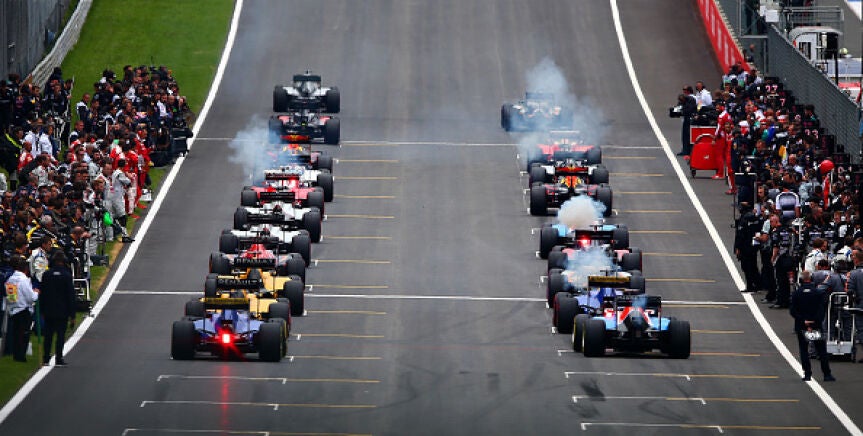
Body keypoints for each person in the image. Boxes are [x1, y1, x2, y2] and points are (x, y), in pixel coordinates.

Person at [790, 270, 834, 382]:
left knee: (804, 350)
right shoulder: (818, 293)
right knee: (821, 350)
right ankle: (827, 374)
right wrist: (814, 321)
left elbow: (793, 311)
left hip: (802, 325)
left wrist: (803, 321)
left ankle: (807, 374)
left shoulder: (797, 293)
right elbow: (821, 310)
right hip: (816, 325)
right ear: (812, 279)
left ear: (801, 280)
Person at [39, 251, 75, 366]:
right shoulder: (67, 275)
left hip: (48, 310)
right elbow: (70, 296)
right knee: (60, 335)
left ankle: (46, 358)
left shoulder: (46, 275)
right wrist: (72, 315)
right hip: (62, 311)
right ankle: (59, 358)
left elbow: (42, 294)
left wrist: (41, 310)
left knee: (48, 335)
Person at [5, 255, 38, 362]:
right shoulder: (24, 280)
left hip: (13, 309)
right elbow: (31, 297)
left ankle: (16, 355)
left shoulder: (10, 279)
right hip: (24, 310)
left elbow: (11, 297)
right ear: (25, 269)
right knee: (24, 335)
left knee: (16, 334)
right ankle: (21, 356)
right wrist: (36, 293)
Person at [770, 214, 797, 308]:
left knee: (780, 280)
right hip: (790, 257)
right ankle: (787, 300)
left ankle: (780, 301)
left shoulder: (776, 232)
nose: (771, 223)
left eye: (772, 221)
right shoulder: (790, 231)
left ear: (778, 221)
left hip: (780, 258)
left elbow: (776, 246)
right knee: (788, 281)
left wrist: (773, 258)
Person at [735, 203, 761, 291]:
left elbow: (740, 235)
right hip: (754, 245)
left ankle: (750, 286)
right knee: (753, 265)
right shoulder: (755, 218)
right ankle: (758, 284)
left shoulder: (744, 219)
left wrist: (737, 248)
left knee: (746, 267)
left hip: (745, 247)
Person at [845, 250, 863, 362]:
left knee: (861, 329)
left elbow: (849, 290)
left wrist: (852, 301)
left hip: (860, 306)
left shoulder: (853, 273)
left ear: (856, 260)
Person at [677, 88, 697, 157]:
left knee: (689, 135)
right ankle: (684, 150)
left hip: (691, 120)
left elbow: (690, 110)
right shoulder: (682, 101)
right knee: (684, 135)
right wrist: (675, 111)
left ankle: (689, 151)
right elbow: (679, 107)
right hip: (685, 119)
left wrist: (682, 110)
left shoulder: (691, 100)